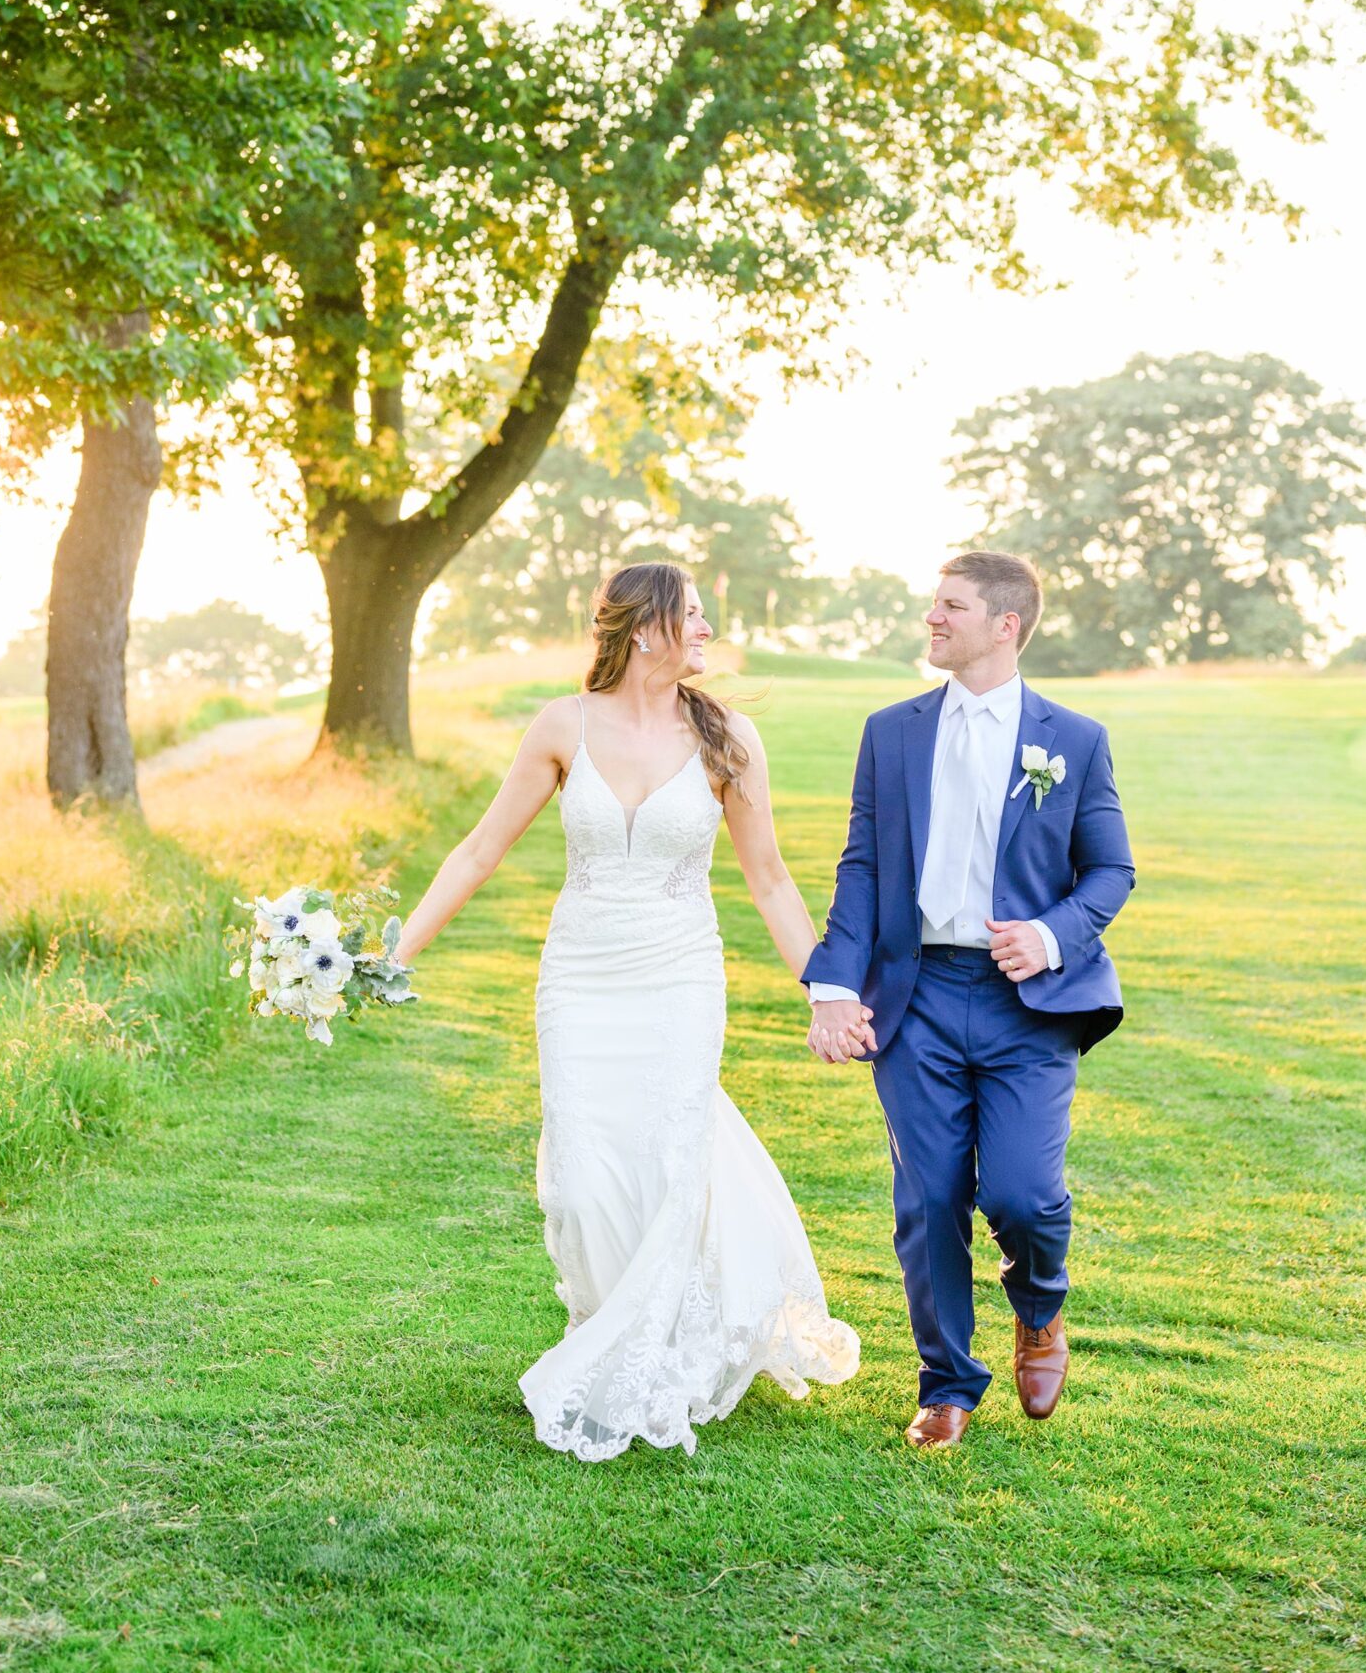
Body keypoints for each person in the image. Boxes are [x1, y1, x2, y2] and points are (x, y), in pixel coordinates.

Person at [396, 561, 859, 1460]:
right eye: (693, 615)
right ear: (644, 628)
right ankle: (608, 1323)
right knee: (580, 1174)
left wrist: (828, 992)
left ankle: (653, 1354)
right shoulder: (562, 725)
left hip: (680, 974)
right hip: (581, 976)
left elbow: (767, 881)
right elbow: (478, 852)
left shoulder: (729, 736)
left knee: (671, 1158)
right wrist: (393, 955)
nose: (708, 630)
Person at [804, 552, 1134, 1448]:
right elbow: (863, 864)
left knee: (1025, 1194)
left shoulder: (1072, 738)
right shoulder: (891, 731)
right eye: (933, 604)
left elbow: (1110, 870)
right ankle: (946, 1383)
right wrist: (833, 985)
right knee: (930, 1198)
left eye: (949, 607)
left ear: (1005, 625)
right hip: (916, 998)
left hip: (1027, 1002)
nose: (931, 619)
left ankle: (1038, 1308)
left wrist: (1054, 934)